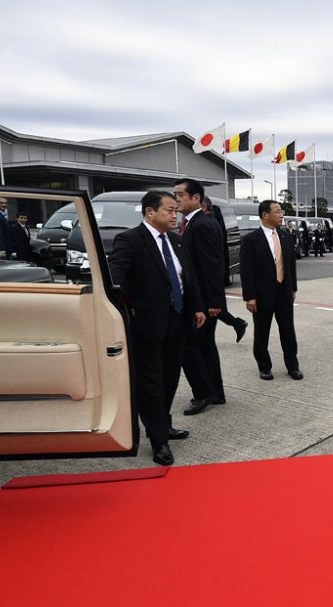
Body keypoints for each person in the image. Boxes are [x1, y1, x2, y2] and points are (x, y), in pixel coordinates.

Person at [108, 191, 206, 467]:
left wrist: (197, 306)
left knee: (170, 376)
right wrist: (127, 313)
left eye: (176, 210)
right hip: (147, 324)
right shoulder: (130, 240)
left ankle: (163, 424)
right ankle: (157, 439)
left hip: (177, 319)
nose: (175, 215)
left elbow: (188, 277)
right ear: (150, 212)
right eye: (169, 210)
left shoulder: (175, 240)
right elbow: (115, 279)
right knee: (151, 382)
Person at [174, 178, 226, 416]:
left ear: (196, 198)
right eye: (175, 195)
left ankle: (203, 393)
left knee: (189, 348)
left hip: (203, 301)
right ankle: (216, 392)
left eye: (180, 195)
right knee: (205, 347)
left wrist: (213, 303)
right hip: (204, 300)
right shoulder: (194, 223)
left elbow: (212, 266)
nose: (176, 199)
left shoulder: (202, 225)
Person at [240, 200, 303, 381]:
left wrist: (293, 288)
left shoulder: (286, 237)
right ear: (265, 215)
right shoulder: (250, 240)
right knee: (262, 332)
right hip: (261, 295)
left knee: (288, 331)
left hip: (284, 292)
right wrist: (250, 296)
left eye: (281, 211)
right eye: (277, 211)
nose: (281, 215)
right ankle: (264, 367)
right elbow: (247, 271)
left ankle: (293, 366)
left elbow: (290, 266)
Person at [201, 196, 248, 343]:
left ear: (204, 207)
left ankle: (238, 323)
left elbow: (212, 259)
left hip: (212, 278)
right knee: (217, 309)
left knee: (213, 309)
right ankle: (238, 324)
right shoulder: (213, 222)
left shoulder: (207, 225)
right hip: (215, 278)